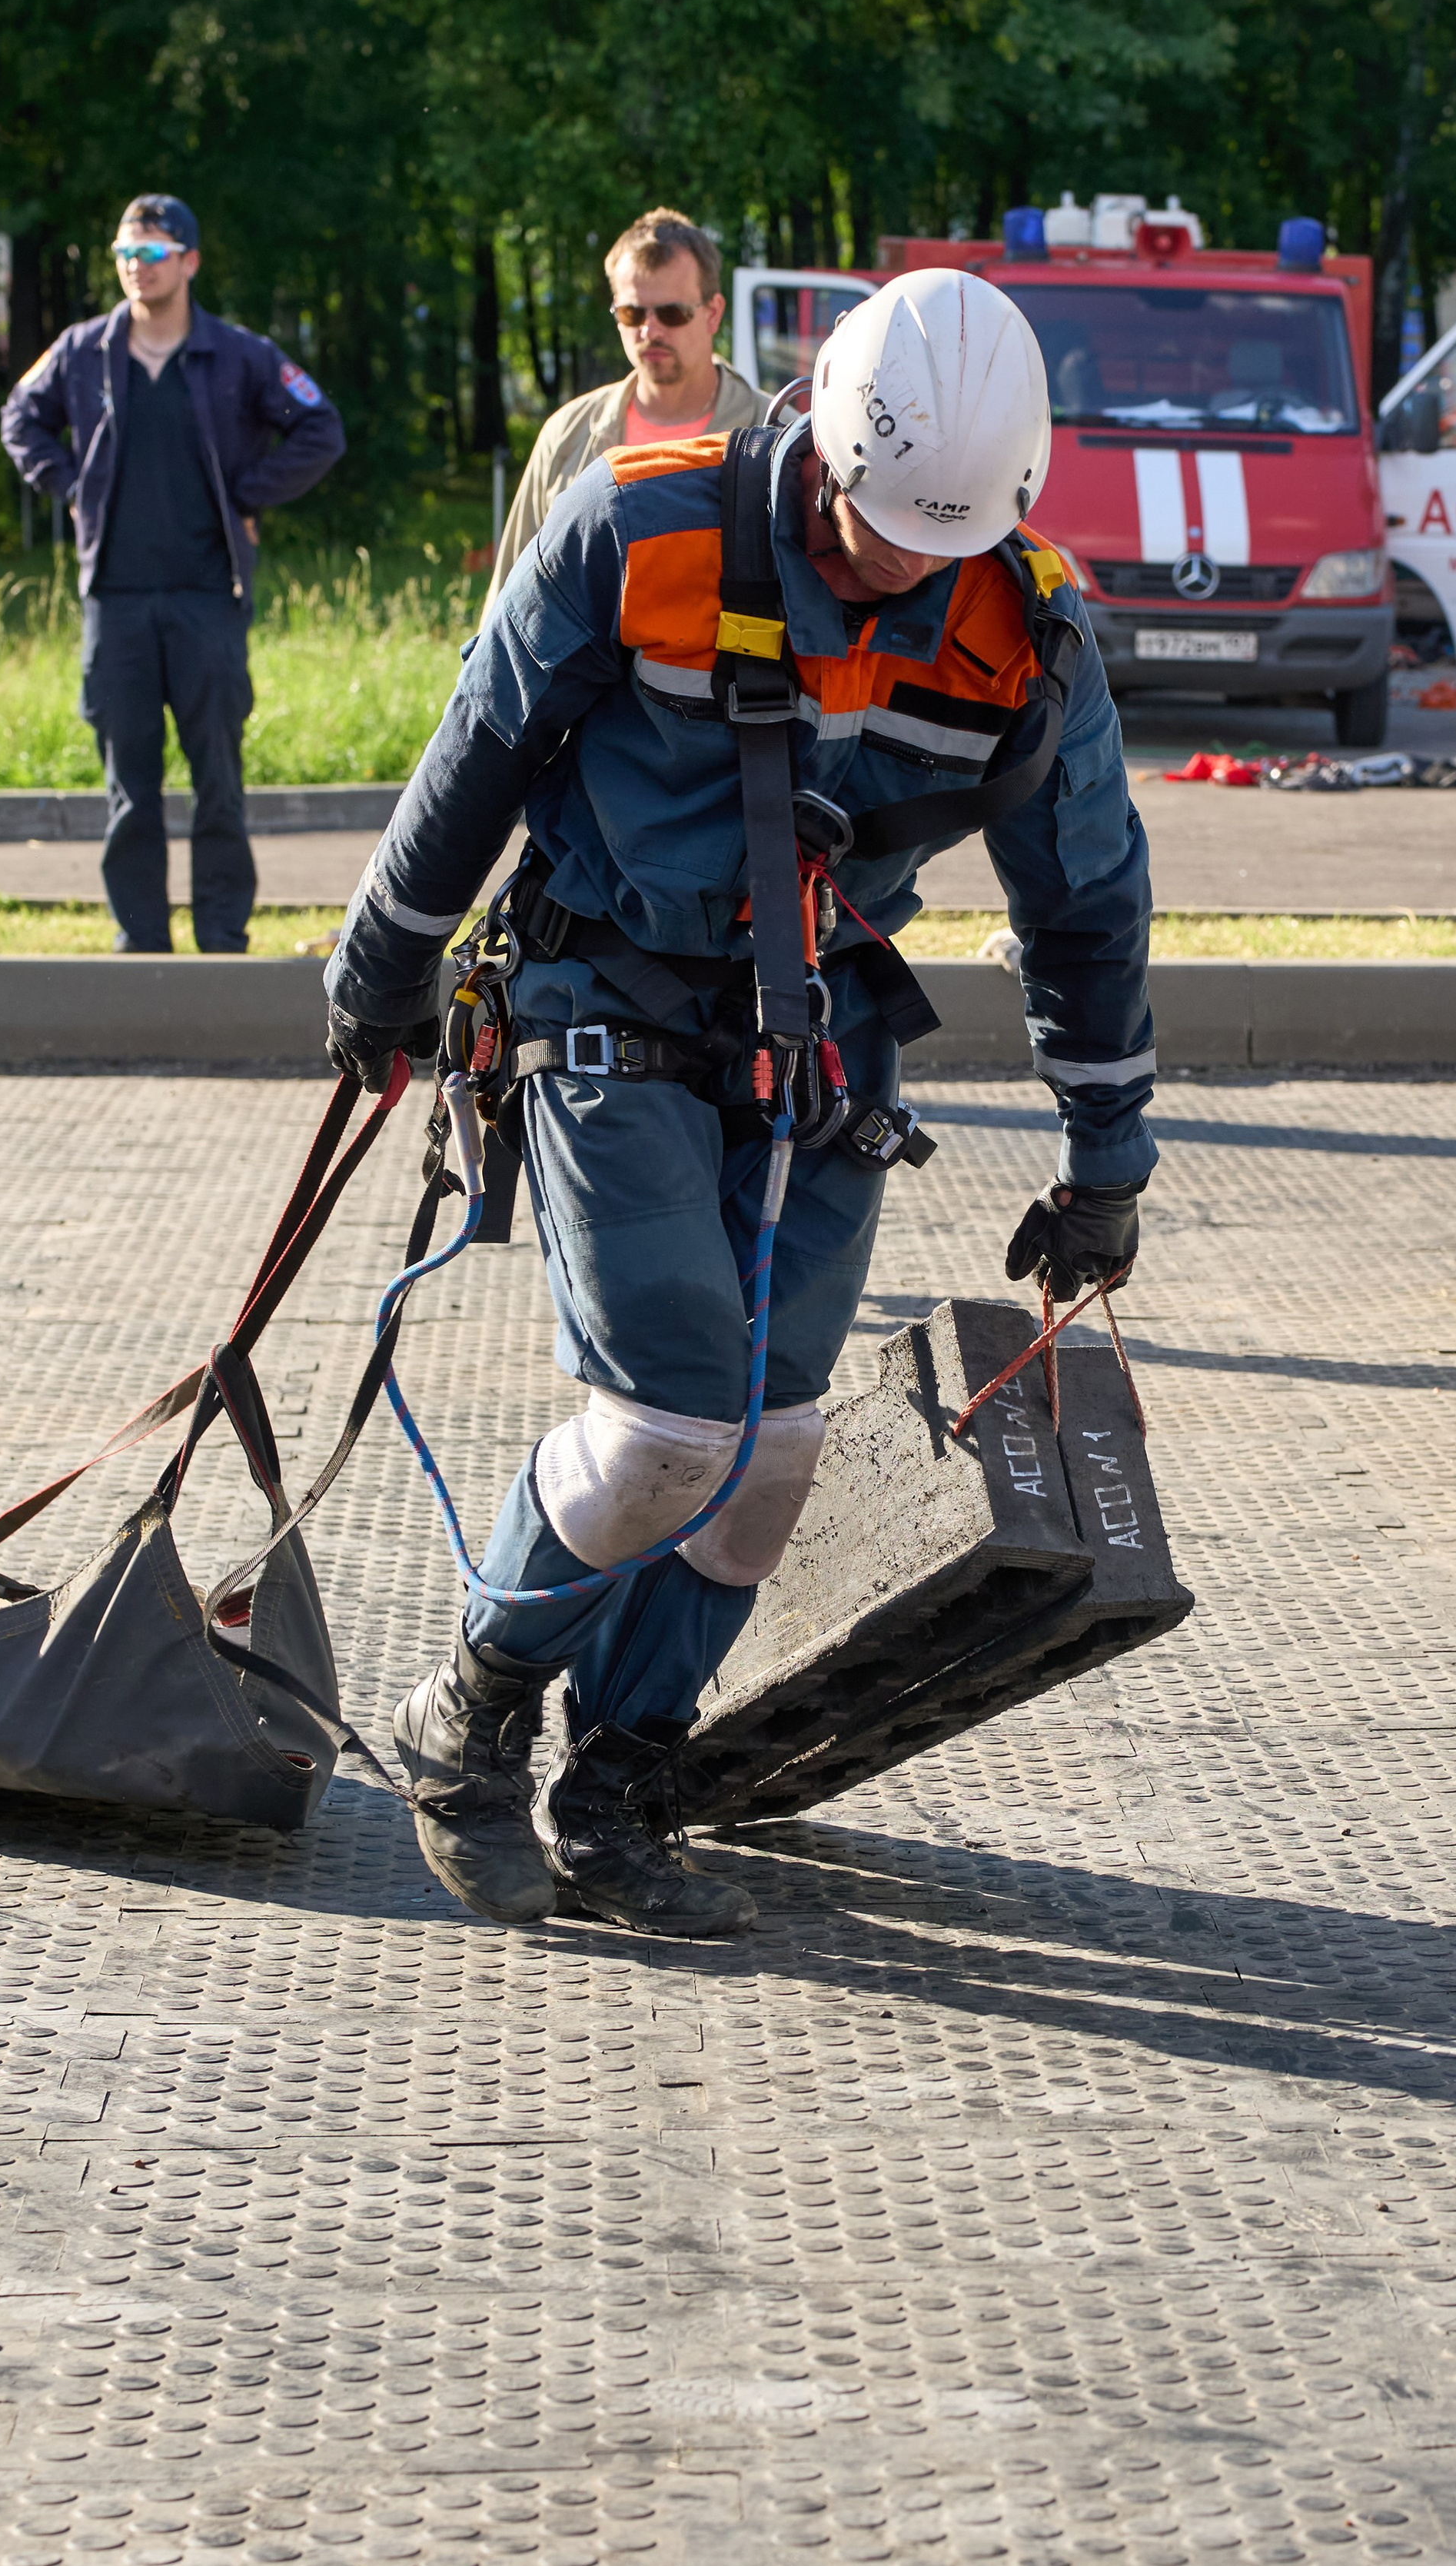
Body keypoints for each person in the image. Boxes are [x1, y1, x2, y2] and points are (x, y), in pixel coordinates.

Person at [325, 268, 1154, 1939]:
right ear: (824, 440)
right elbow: (479, 748)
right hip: (608, 998)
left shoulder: (1026, 629)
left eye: (935, 547)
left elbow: (1086, 899)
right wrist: (382, 968)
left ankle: (621, 1779)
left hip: (819, 1047)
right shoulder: (641, 531)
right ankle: (467, 1711)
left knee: (772, 1454)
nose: (896, 568)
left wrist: (1104, 1161)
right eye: (872, 528)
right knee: (667, 1426)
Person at [0, 195, 345, 954]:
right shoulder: (83, 351)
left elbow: (321, 428)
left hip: (207, 598)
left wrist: (249, 494)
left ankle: (222, 941)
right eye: (125, 253)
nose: (136, 267)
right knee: (130, 786)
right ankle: (142, 945)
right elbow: (19, 418)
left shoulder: (240, 355)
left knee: (218, 780)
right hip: (115, 602)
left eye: (152, 253)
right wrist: (71, 486)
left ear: (189, 262)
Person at [481, 208, 768, 616]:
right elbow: (510, 599)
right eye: (633, 313)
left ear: (713, 313)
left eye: (672, 313)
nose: (650, 330)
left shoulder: (775, 433)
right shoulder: (568, 434)